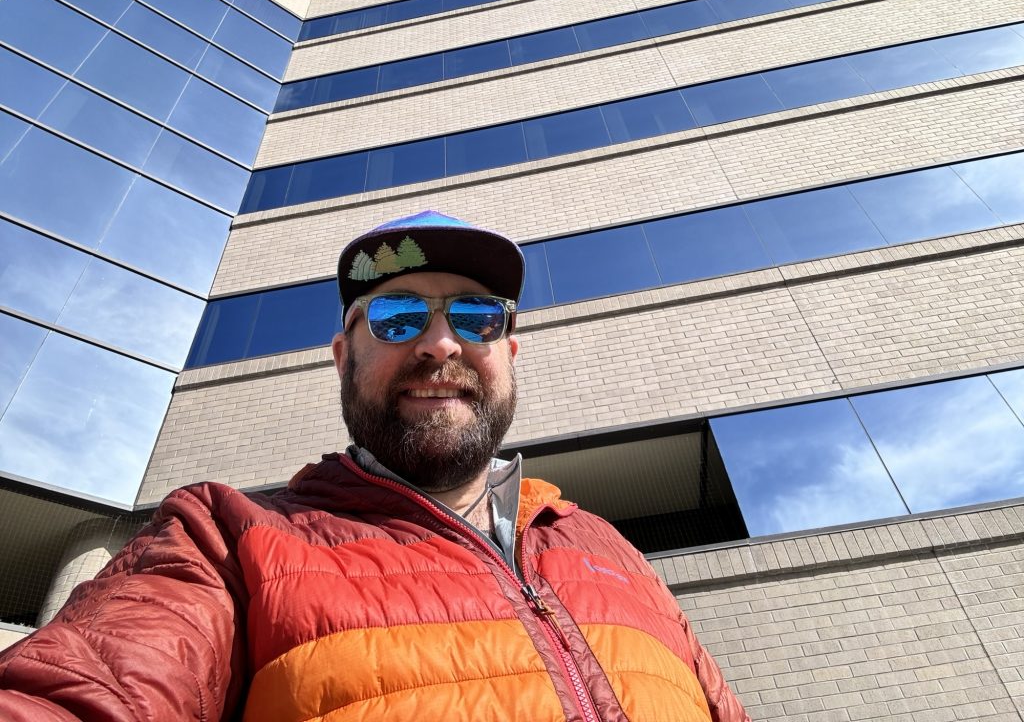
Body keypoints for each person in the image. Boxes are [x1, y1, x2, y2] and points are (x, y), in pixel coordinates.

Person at [0, 211, 750, 721]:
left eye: (476, 316)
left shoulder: (607, 547)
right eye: (396, 317)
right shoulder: (223, 541)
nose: (441, 343)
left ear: (509, 352)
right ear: (342, 356)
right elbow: (87, 689)